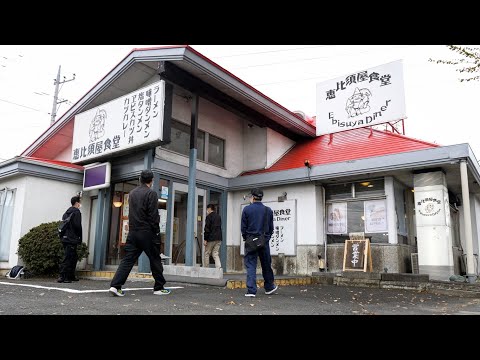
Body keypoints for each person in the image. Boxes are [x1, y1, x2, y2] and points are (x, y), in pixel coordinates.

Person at [109, 170, 170, 297]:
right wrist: (157, 232)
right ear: (151, 180)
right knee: (155, 259)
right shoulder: (151, 193)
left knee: (128, 260)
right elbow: (153, 216)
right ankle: (159, 287)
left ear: (140, 179)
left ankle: (115, 286)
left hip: (133, 232)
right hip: (147, 232)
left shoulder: (132, 193)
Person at [241, 188, 278, 297]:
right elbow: (271, 228)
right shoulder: (268, 210)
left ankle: (251, 290)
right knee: (266, 264)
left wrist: (246, 238)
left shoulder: (247, 209)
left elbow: (243, 227)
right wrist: (266, 238)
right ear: (261, 198)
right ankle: (269, 287)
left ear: (252, 197)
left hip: (251, 240)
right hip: (263, 240)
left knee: (251, 264)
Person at [58, 195, 82, 283]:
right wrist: (79, 237)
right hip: (72, 238)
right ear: (77, 203)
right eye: (79, 202)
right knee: (69, 257)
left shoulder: (66, 213)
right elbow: (77, 226)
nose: (80, 204)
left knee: (72, 256)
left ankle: (70, 275)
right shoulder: (76, 212)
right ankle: (64, 277)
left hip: (65, 238)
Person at [203, 204, 222, 269]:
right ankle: (218, 267)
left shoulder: (208, 217)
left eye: (207, 209)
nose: (206, 210)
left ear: (209, 209)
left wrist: (205, 239)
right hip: (219, 238)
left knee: (207, 253)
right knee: (215, 253)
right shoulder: (218, 216)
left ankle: (206, 268)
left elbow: (207, 229)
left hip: (211, 238)